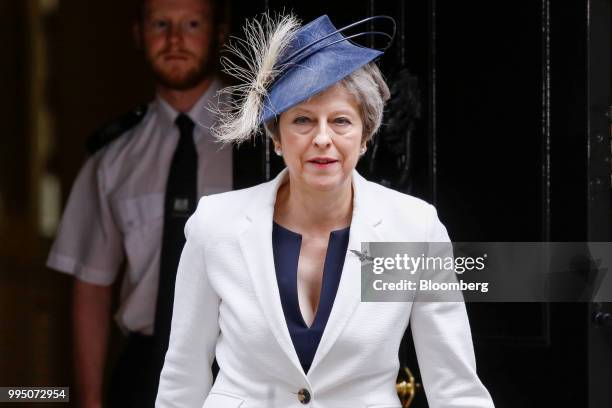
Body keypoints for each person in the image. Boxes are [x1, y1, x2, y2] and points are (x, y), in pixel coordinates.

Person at [156, 13, 495, 408]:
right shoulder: (216, 225)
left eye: (340, 121)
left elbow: (455, 388)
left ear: (365, 136)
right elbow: (184, 375)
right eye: (302, 120)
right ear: (276, 137)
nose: (322, 138)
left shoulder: (413, 230)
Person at [46, 0, 232, 407]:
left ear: (218, 33)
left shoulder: (262, 139)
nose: (175, 40)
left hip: (241, 363)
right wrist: (91, 401)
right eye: (160, 24)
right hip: (144, 367)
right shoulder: (113, 157)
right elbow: (92, 286)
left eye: (193, 23)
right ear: (138, 33)